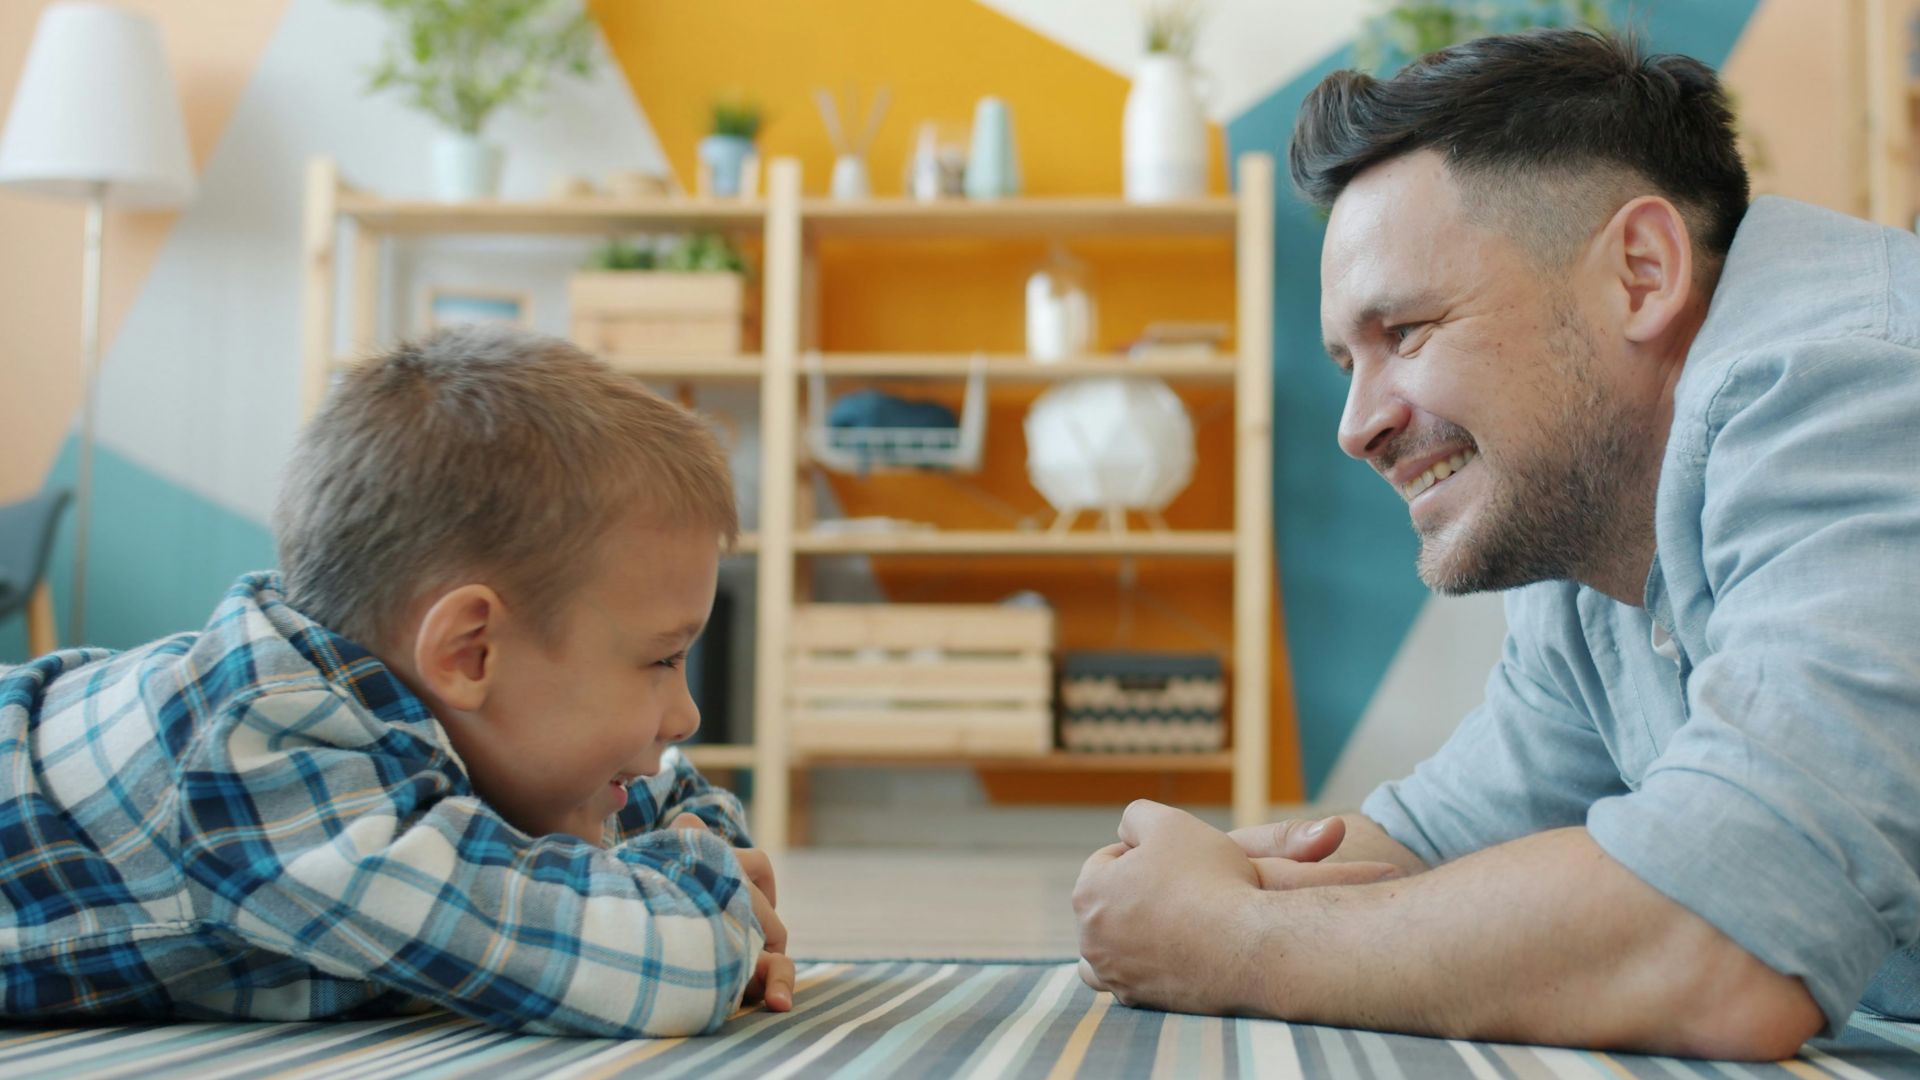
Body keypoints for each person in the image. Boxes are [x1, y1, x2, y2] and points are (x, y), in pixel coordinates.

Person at [1073, 27, 1920, 1061]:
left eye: (1409, 332)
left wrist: (1229, 938)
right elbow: (1431, 853)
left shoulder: (1851, 384)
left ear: (1643, 273)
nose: (1356, 424)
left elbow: (1727, 943)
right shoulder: (1600, 531)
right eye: (1347, 359)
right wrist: (1186, 877)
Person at [0, 327, 792, 1036]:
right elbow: (665, 969)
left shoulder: (448, 719)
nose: (685, 715)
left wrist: (697, 863)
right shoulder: (260, 756)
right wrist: (705, 902)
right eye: (660, 660)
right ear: (471, 652)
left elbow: (679, 805)